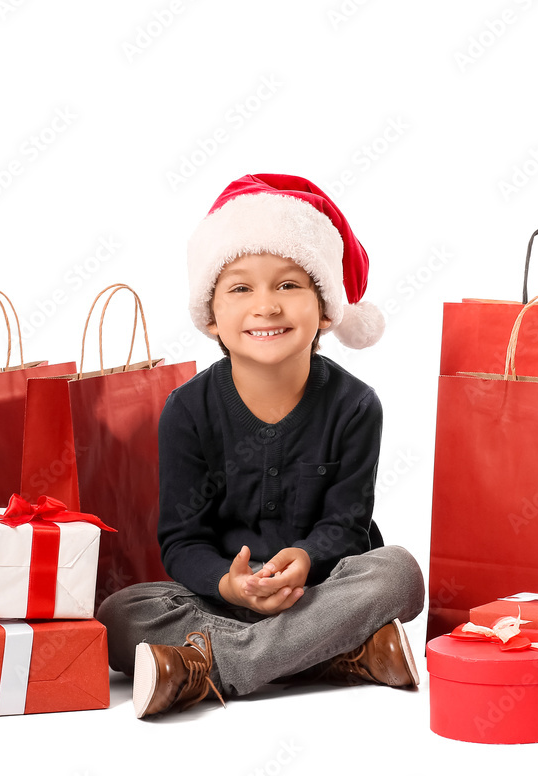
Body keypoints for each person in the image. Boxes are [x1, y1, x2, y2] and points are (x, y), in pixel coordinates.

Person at [97, 173, 425, 719]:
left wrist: (306, 558)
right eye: (241, 287)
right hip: (224, 600)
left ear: (325, 311)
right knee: (116, 613)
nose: (266, 306)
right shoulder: (186, 410)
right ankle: (339, 655)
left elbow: (346, 526)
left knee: (399, 573)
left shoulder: (356, 405)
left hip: (320, 592)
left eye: (289, 285)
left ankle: (205, 667)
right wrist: (229, 583)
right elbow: (182, 541)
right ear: (211, 318)